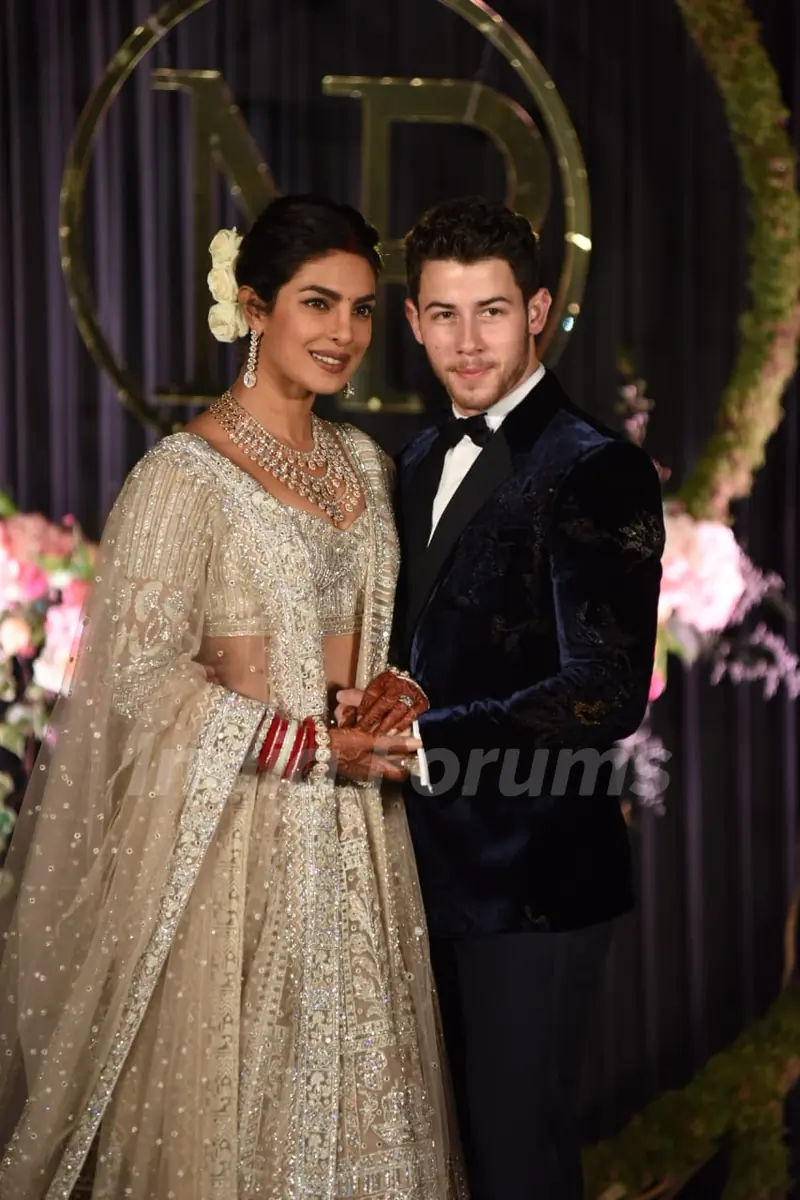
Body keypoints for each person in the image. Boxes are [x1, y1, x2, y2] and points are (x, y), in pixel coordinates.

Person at [0, 195, 464, 1199]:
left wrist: (396, 693)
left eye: (360, 309)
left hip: (358, 843)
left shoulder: (363, 464)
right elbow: (143, 677)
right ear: (253, 308)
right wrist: (301, 744)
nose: (342, 332)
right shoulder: (184, 476)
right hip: (236, 842)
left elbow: (402, 637)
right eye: (315, 303)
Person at [346, 196, 665, 1200]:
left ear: (534, 310)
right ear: (410, 321)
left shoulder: (595, 469)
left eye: (489, 311)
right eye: (442, 314)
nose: (466, 341)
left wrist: (426, 738)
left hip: (536, 879)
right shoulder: (412, 463)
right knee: (448, 1161)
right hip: (418, 871)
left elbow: (605, 690)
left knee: (516, 1152)